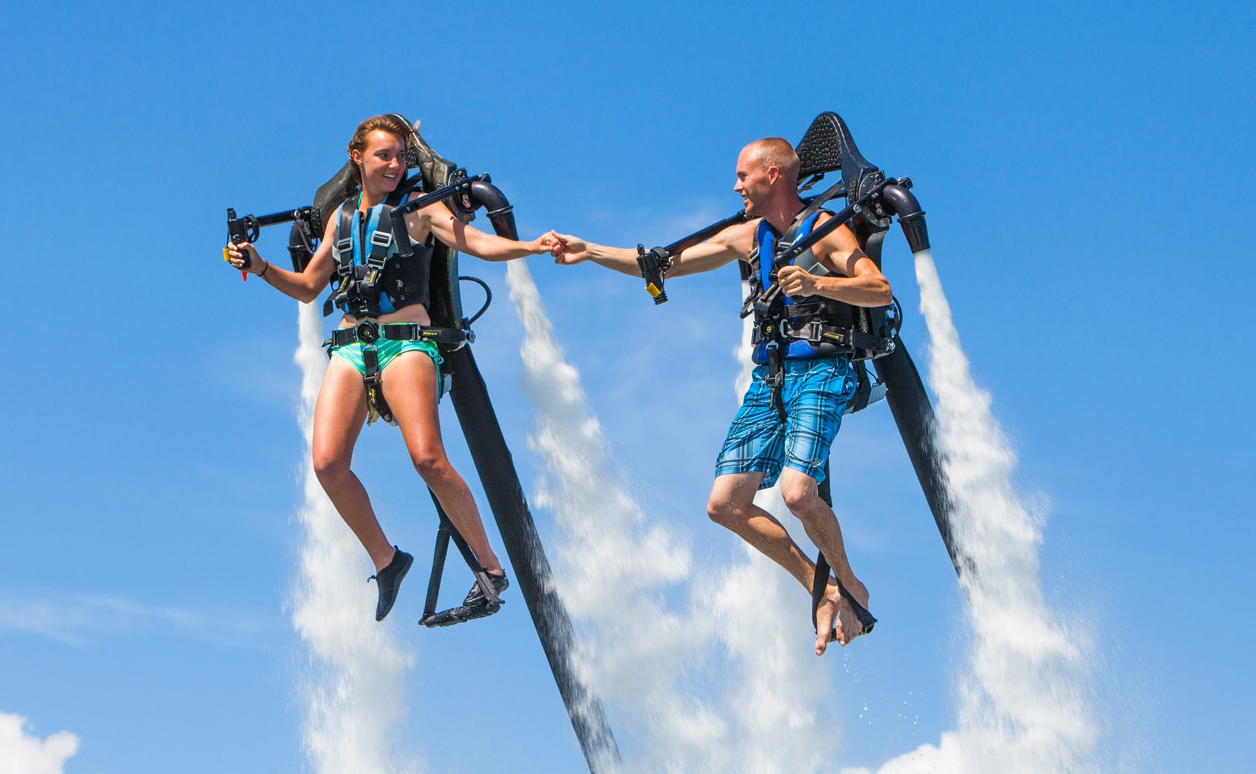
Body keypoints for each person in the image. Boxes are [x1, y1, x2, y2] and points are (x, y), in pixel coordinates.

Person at [550, 137, 891, 655]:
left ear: (774, 175)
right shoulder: (748, 236)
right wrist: (590, 251)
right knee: (724, 505)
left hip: (823, 370)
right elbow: (663, 265)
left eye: (742, 176)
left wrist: (817, 286)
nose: (735, 186)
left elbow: (879, 289)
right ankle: (819, 588)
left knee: (799, 494)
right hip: (770, 380)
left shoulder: (824, 232)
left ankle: (848, 583)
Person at [227, 115, 554, 622]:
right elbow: (310, 287)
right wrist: (260, 265)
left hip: (406, 345)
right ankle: (387, 559)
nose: (395, 165)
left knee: (428, 459)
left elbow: (476, 243)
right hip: (352, 347)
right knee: (327, 464)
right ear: (357, 157)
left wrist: (527, 246)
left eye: (402, 156)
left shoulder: (421, 210)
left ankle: (489, 570)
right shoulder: (339, 218)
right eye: (384, 155)